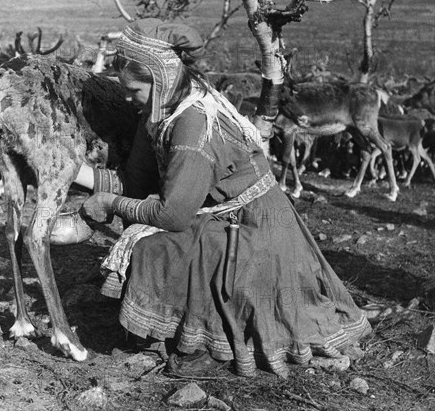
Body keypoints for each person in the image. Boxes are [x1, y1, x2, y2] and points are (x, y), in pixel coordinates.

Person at [75, 19, 371, 377]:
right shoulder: (157, 112)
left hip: (255, 227)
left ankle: (209, 341)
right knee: (144, 235)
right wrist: (72, 174)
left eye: (133, 89)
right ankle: (176, 328)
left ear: (162, 79)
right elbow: (135, 184)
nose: (126, 97)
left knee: (152, 248)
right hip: (219, 214)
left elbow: (172, 217)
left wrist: (110, 204)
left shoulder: (194, 123)